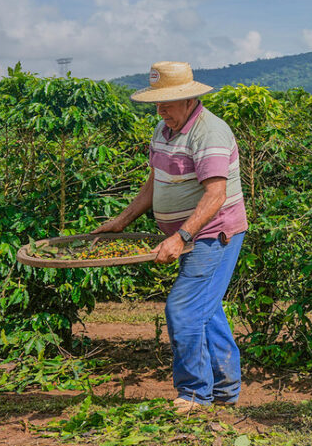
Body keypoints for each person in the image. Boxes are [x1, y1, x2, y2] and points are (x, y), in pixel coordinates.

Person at [95, 61, 248, 413]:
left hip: (213, 234)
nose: (160, 110)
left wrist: (180, 237)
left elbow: (215, 196)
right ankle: (225, 390)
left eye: (166, 103)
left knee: (183, 309)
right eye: (157, 103)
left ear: (189, 99)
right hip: (192, 235)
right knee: (205, 310)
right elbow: (155, 183)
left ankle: (195, 393)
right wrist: (122, 220)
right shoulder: (164, 129)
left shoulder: (209, 132)